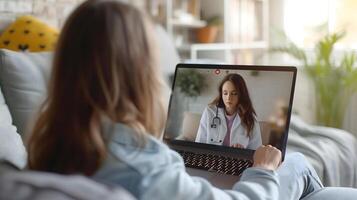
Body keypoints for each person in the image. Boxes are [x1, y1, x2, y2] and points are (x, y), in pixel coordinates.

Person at [26, 1, 357, 200]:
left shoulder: (51, 145)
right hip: (246, 182)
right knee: (295, 163)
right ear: (138, 73)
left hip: (209, 168)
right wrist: (263, 171)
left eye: (233, 92)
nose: (228, 97)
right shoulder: (144, 166)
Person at [195, 73, 262, 149]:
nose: (228, 98)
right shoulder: (209, 112)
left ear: (241, 95)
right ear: (221, 94)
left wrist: (242, 152)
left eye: (234, 93)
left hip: (237, 159)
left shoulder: (251, 119)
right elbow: (199, 144)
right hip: (210, 158)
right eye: (225, 93)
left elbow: (256, 152)